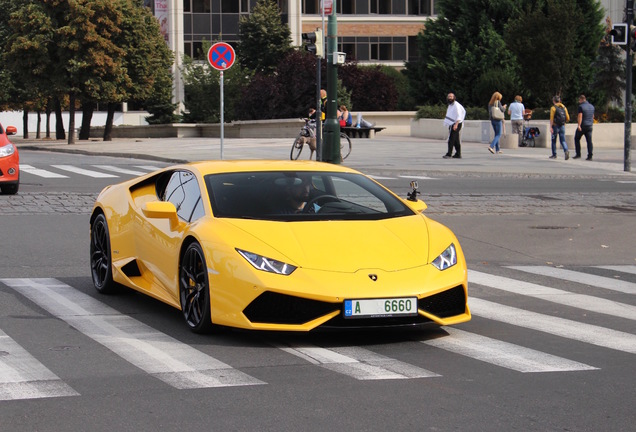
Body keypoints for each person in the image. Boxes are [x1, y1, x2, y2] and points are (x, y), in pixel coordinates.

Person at [443, 92, 466, 159]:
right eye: (449, 96)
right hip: (452, 123)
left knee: (451, 139)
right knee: (456, 140)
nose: (449, 98)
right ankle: (458, 154)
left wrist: (456, 124)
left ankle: (449, 154)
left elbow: (459, 115)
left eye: (451, 97)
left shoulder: (456, 105)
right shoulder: (450, 105)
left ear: (454, 98)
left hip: (457, 123)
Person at [574, 94, 594, 160]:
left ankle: (578, 154)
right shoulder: (592, 106)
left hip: (583, 125)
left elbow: (580, 116)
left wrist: (579, 125)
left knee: (577, 138)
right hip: (589, 125)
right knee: (589, 141)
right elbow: (592, 116)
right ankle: (590, 155)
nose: (579, 101)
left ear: (581, 99)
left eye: (579, 100)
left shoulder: (581, 107)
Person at [549, 95, 570, 160]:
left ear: (554, 101)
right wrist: (564, 122)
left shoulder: (553, 108)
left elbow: (551, 118)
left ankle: (554, 154)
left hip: (555, 126)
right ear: (559, 100)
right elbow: (568, 118)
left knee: (553, 140)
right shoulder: (564, 107)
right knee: (563, 140)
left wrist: (551, 127)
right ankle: (566, 150)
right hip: (562, 126)